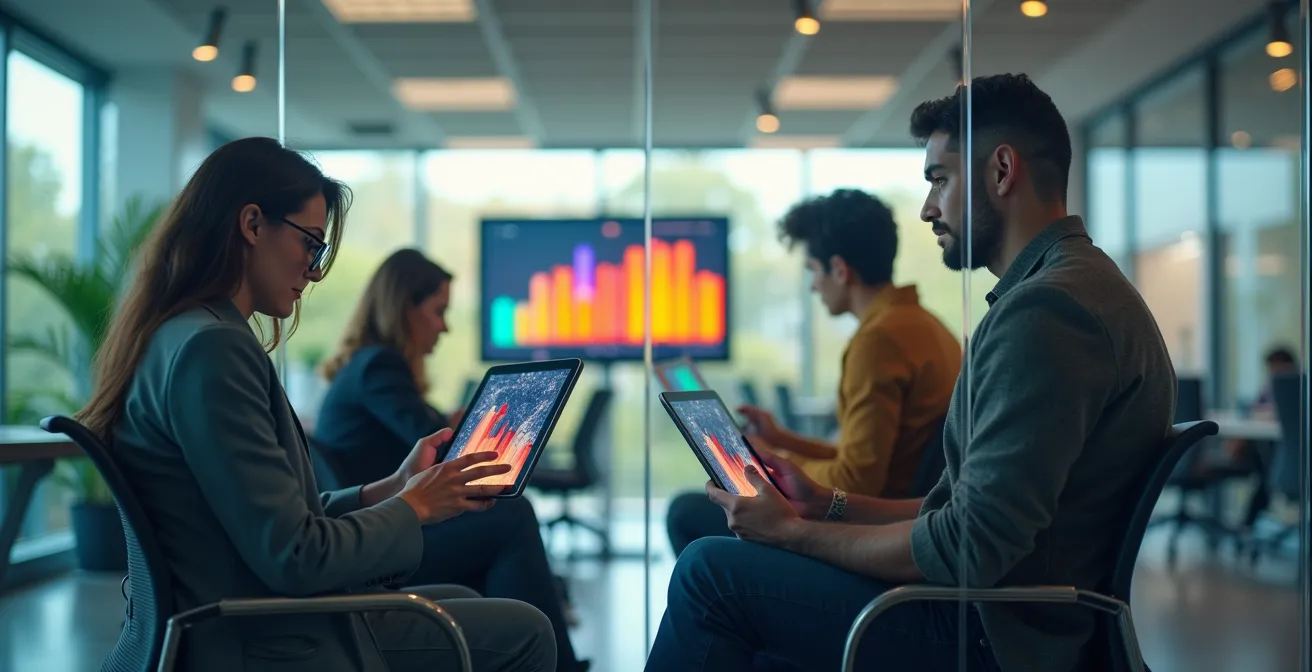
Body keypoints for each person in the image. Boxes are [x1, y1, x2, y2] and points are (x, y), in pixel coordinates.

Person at [645, 73, 1176, 672]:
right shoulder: (1073, 288)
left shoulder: (1047, 312)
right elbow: (961, 509)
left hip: (991, 633)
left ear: (1002, 172)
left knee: (708, 573)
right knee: (719, 563)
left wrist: (791, 534)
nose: (928, 208)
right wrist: (823, 503)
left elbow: (968, 547)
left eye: (939, 180)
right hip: (1003, 611)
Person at [77, 138, 555, 672]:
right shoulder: (213, 349)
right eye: (311, 245)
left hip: (234, 617)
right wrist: (415, 506)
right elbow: (296, 556)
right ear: (253, 225)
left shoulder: (180, 334)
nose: (315, 270)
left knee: (466, 602)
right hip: (257, 638)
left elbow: (276, 522)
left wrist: (393, 486)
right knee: (526, 630)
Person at [315, 248, 588, 672]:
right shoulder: (378, 365)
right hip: (380, 541)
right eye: (438, 311)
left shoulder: (366, 366)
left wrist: (452, 422)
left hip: (378, 532)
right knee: (512, 516)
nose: (444, 326)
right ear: (404, 307)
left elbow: (414, 434)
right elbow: (430, 447)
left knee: (502, 520)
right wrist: (472, 430)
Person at [665, 189, 961, 556]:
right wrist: (783, 440)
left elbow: (857, 482)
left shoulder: (878, 341)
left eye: (814, 271)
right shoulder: (927, 326)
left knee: (686, 513)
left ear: (839, 269)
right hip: (898, 518)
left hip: (868, 533)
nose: (813, 285)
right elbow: (862, 455)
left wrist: (768, 457)